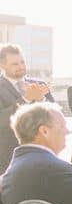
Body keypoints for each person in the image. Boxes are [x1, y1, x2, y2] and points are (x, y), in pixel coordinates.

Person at [0, 43, 55, 173]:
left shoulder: (39, 84)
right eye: (15, 64)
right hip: (7, 158)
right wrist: (25, 100)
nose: (21, 66)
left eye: (22, 62)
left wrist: (42, 100)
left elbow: (56, 117)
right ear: (2, 65)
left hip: (41, 154)